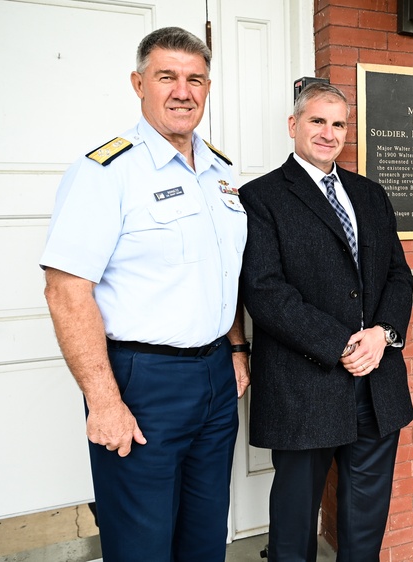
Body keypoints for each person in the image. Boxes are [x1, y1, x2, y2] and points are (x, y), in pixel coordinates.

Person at [40, 27, 250, 562]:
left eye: (195, 79)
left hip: (215, 380)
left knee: (205, 537)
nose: (183, 91)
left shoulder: (221, 173)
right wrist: (103, 399)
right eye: (168, 77)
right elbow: (66, 291)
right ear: (139, 84)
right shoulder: (106, 172)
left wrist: (235, 350)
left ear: (207, 87)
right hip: (142, 383)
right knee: (142, 544)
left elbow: (223, 272)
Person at [238, 82, 413, 562]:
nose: (328, 132)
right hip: (304, 385)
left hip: (376, 381)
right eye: (317, 121)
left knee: (365, 518)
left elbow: (399, 276)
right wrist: (341, 344)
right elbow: (266, 291)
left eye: (338, 124)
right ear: (293, 125)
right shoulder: (261, 197)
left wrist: (382, 335)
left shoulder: (370, 195)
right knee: (295, 521)